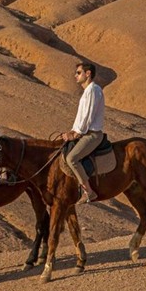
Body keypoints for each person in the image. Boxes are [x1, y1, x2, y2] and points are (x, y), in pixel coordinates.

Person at [61, 62, 105, 204]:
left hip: (91, 134)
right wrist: (72, 131)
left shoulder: (93, 90)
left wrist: (76, 133)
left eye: (78, 73)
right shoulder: (87, 92)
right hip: (83, 132)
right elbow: (81, 117)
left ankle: (89, 192)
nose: (75, 75)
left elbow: (87, 116)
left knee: (71, 159)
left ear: (88, 74)